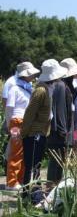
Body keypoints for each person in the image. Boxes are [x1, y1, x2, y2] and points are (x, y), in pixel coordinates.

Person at [21, 59, 67, 193]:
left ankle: (33, 192)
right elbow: (29, 113)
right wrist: (24, 133)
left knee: (36, 165)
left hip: (40, 133)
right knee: (32, 166)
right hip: (34, 134)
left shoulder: (47, 89)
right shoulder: (40, 91)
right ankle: (30, 194)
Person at [46, 58, 77, 185]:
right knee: (57, 162)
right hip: (62, 133)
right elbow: (60, 111)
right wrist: (64, 133)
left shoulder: (67, 85)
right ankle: (51, 189)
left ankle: (57, 188)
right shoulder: (62, 86)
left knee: (63, 160)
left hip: (69, 131)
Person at [5, 62, 40, 190]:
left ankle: (19, 180)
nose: (33, 76)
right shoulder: (15, 88)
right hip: (16, 121)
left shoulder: (27, 88)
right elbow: (9, 108)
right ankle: (12, 182)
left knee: (24, 152)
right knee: (16, 153)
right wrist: (10, 125)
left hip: (25, 122)